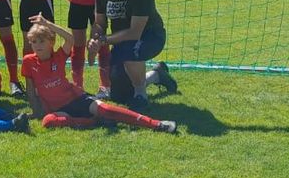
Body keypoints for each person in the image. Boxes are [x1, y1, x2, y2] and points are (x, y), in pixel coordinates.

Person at [22, 17, 176, 133]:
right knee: (48, 121)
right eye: (34, 42)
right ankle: (93, 121)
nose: (37, 45)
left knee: (107, 110)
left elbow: (71, 39)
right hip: (58, 109)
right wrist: (36, 111)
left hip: (77, 99)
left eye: (41, 41)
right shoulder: (28, 61)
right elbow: (30, 89)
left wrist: (48, 25)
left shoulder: (59, 56)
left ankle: (156, 124)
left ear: (51, 42)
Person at [92, 0, 176, 107]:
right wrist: (95, 38)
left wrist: (104, 40)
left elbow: (135, 32)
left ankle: (141, 96)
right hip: (122, 41)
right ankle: (158, 74)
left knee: (130, 50)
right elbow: (99, 23)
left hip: (150, 36)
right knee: (120, 96)